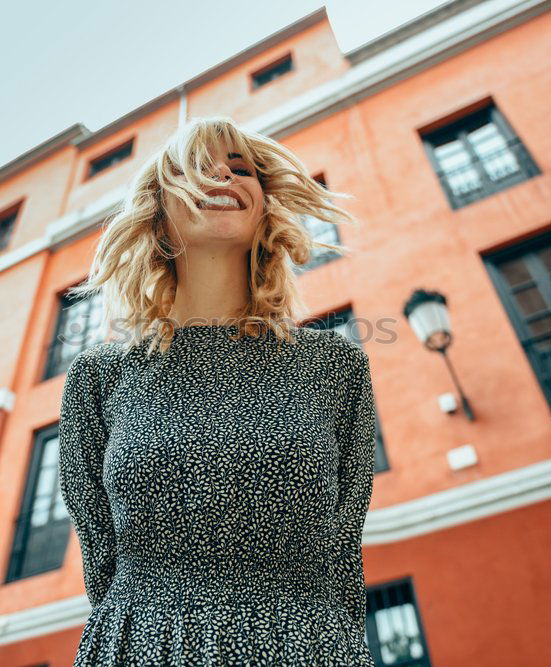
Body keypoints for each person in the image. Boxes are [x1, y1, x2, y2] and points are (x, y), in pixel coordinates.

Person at [57, 116, 378, 665]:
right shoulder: (98, 377)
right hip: (142, 646)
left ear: (265, 213)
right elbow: (102, 563)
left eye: (241, 170)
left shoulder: (336, 365)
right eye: (197, 169)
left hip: (308, 646)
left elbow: (342, 553)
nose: (224, 179)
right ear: (157, 220)